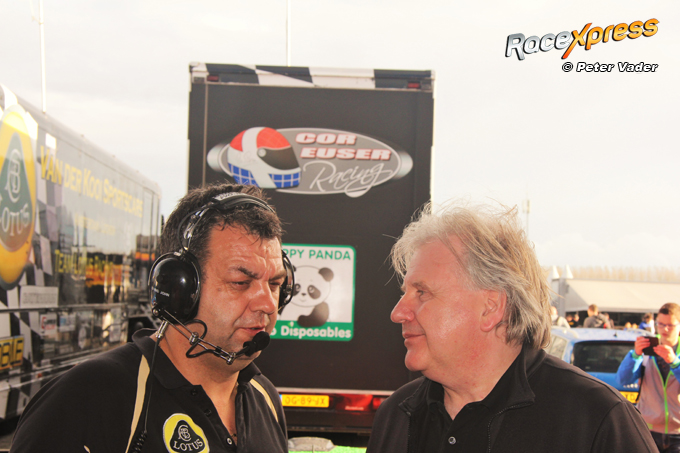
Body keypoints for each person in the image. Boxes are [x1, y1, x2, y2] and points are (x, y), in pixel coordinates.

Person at [10, 183, 293, 452]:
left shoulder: (265, 398)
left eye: (275, 284)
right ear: (180, 288)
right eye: (240, 283)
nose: (269, 304)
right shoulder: (87, 398)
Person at [367, 202, 656, 453]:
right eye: (404, 294)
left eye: (422, 293)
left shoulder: (596, 420)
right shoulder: (397, 415)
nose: (397, 313)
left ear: (490, 307)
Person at [617, 302, 680, 453]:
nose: (665, 329)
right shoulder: (647, 348)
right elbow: (623, 380)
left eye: (670, 325)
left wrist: (675, 363)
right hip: (648, 429)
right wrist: (635, 355)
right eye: (661, 324)